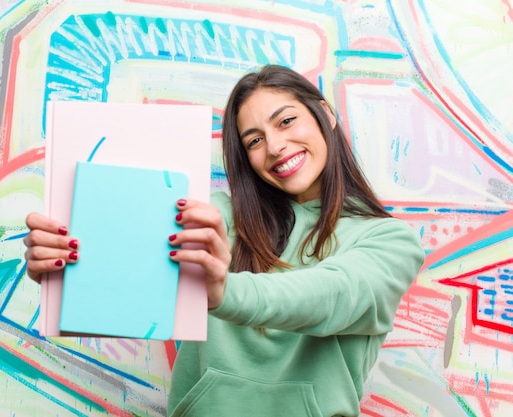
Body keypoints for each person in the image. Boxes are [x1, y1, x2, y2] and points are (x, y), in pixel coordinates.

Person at [23, 64, 425, 417]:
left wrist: (223, 290)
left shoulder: (391, 241)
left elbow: (329, 294)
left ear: (325, 114)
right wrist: (68, 273)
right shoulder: (216, 220)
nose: (275, 147)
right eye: (254, 140)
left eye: (285, 121)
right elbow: (133, 279)